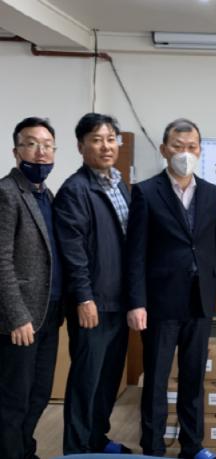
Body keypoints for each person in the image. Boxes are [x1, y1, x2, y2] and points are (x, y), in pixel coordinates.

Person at [126, 118, 216, 459]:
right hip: (160, 303)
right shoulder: (146, 192)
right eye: (178, 146)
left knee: (193, 379)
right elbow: (135, 253)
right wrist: (136, 302)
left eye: (191, 147)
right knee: (156, 380)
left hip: (200, 300)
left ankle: (192, 446)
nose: (185, 153)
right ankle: (153, 448)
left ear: (200, 150)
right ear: (164, 150)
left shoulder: (211, 192)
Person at [53, 113, 131, 454]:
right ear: (81, 146)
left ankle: (97, 439)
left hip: (119, 300)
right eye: (97, 140)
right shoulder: (75, 190)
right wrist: (85, 298)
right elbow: (73, 253)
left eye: (111, 139)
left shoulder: (119, 184)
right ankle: (77, 449)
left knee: (108, 378)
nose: (106, 146)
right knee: (87, 380)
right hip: (93, 304)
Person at [0, 117, 63, 459]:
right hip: (22, 319)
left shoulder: (46, 195)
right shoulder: (7, 193)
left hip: (48, 315)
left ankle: (25, 451)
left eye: (48, 145)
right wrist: (17, 316)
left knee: (39, 394)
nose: (41, 152)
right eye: (32, 144)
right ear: (16, 151)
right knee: (14, 399)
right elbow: (1, 261)